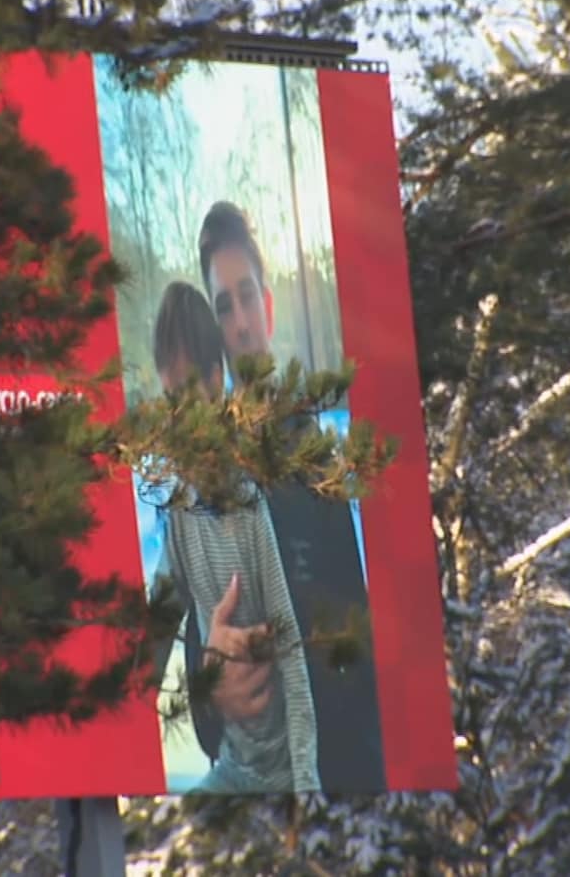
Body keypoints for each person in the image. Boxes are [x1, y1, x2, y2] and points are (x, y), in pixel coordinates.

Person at [180, 200, 386, 793]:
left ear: (267, 307)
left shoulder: (320, 458)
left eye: (247, 297)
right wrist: (211, 686)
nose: (240, 320)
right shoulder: (204, 481)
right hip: (261, 798)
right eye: (223, 306)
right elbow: (196, 692)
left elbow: (366, 640)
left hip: (348, 782)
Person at [149, 281, 319, 793]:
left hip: (286, 776)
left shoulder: (254, 503)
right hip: (228, 770)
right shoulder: (178, 509)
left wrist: (308, 788)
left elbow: (293, 652)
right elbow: (151, 635)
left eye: (187, 397)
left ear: (217, 382)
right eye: (167, 400)